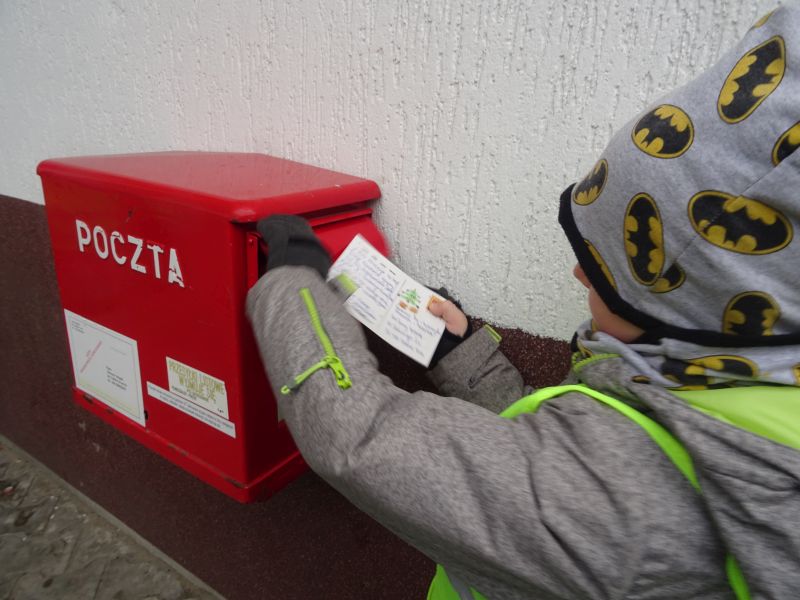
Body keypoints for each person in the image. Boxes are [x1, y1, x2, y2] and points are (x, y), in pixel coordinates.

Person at [247, 6, 800, 599]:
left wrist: (293, 282)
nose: (577, 272)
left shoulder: (627, 514)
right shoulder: (733, 394)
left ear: (683, 310)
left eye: (604, 271)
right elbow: (550, 461)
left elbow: (357, 439)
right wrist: (461, 352)